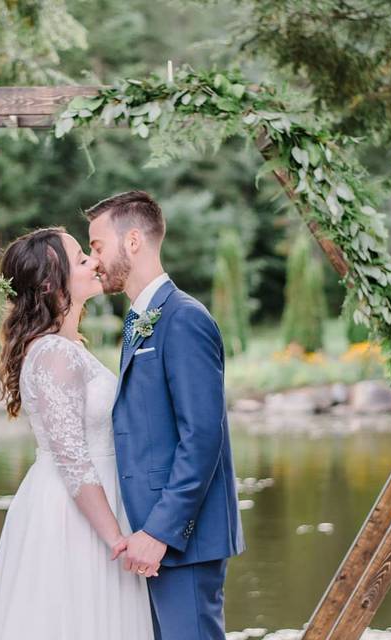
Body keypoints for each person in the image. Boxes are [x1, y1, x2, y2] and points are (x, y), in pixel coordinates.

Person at [0, 226, 155, 639]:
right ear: (51, 283)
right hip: (75, 516)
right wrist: (116, 540)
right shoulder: (54, 354)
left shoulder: (67, 347)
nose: (94, 262)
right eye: (80, 258)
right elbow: (72, 458)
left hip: (95, 502)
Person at [87, 190, 245, 640]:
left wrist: (160, 532)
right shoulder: (141, 320)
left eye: (98, 246)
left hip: (183, 540)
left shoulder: (184, 319)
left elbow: (202, 438)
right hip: (154, 537)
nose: (95, 260)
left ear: (132, 241)